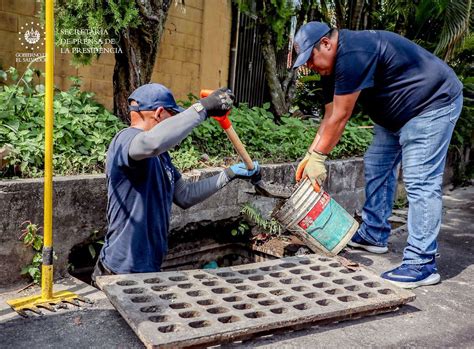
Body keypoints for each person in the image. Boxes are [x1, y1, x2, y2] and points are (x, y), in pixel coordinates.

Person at [292, 22, 463, 289]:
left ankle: (422, 263)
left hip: (431, 103)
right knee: (377, 163)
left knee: (420, 181)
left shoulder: (352, 53)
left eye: (310, 59)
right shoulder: (331, 68)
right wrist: (310, 156)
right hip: (394, 115)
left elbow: (341, 116)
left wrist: (319, 157)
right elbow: (329, 115)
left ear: (326, 43)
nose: (310, 67)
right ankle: (374, 234)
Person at [91, 84, 260, 284]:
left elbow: (185, 195)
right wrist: (202, 109)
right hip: (120, 271)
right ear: (159, 113)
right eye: (173, 116)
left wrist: (229, 174)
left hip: (149, 267)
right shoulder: (125, 140)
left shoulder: (162, 157)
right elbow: (150, 144)